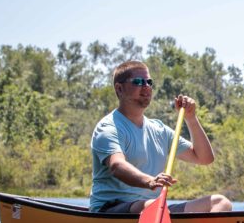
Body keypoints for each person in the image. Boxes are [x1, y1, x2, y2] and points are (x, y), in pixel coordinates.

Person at [89, 60, 233, 214]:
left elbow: (204, 158)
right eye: (138, 82)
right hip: (110, 209)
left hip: (156, 209)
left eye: (149, 82)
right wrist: (150, 181)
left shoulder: (159, 130)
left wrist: (191, 118)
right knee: (157, 208)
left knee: (220, 203)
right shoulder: (108, 127)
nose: (146, 87)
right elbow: (117, 166)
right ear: (119, 89)